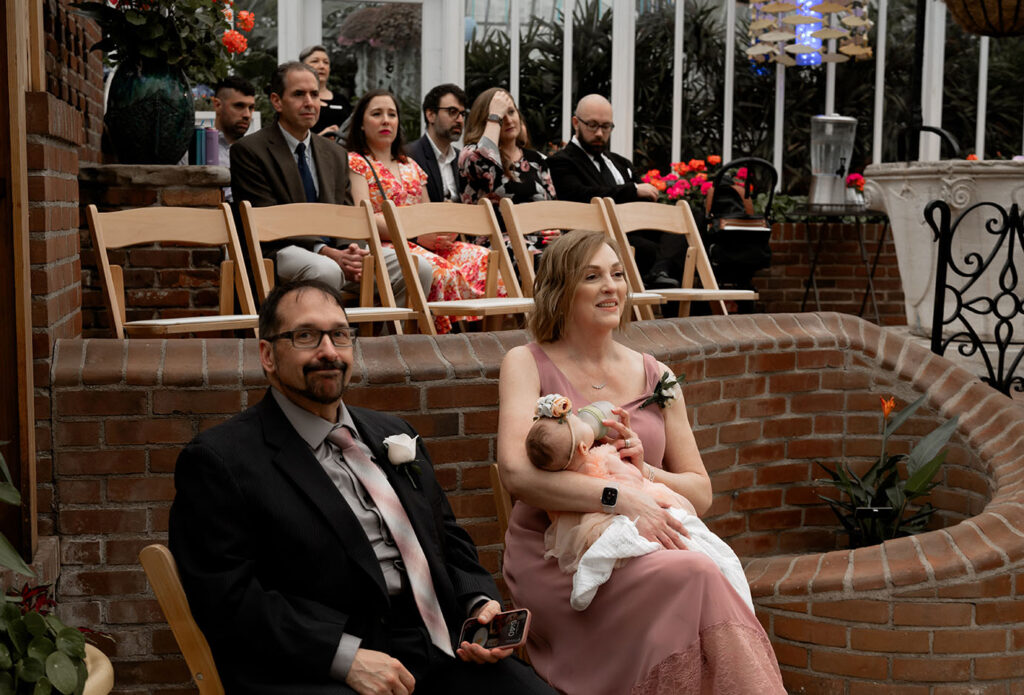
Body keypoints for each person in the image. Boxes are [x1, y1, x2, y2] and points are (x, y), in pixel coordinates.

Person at [169, 278, 557, 695]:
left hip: (443, 650)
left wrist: (479, 604)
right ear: (267, 354)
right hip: (319, 668)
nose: (328, 352)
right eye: (305, 336)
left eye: (339, 335)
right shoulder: (219, 460)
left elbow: (449, 540)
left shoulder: (393, 432)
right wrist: (343, 656)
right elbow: (227, 598)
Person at [496, 229, 785, 694]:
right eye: (592, 276)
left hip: (651, 541)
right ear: (560, 290)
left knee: (694, 575)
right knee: (696, 574)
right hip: (558, 555)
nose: (611, 286)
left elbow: (700, 492)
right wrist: (619, 497)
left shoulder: (658, 375)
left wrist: (644, 469)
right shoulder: (527, 363)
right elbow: (517, 474)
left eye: (617, 274)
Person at [526, 397, 753, 614]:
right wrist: (629, 464)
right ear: (584, 449)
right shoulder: (603, 456)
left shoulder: (567, 479)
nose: (580, 417)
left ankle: (592, 573)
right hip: (629, 516)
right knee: (711, 556)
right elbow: (633, 482)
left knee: (619, 546)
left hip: (594, 530)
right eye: (577, 420)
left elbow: (702, 495)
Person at [231, 62, 418, 306]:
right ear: (277, 101)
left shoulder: (335, 152)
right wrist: (327, 252)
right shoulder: (249, 150)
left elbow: (346, 212)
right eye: (299, 94)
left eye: (315, 94)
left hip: (334, 251)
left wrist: (351, 251)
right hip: (278, 251)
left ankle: (387, 343)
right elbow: (267, 221)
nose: (309, 102)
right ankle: (318, 341)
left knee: (415, 268)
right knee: (326, 270)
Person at [345, 89, 505, 334]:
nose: (386, 120)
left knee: (483, 258)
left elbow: (428, 212)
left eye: (392, 114)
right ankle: (437, 342)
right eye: (377, 114)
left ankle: (488, 339)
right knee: (440, 270)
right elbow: (363, 218)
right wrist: (415, 236)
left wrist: (444, 231)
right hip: (387, 244)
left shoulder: (411, 165)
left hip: (425, 242)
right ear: (362, 125)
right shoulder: (356, 162)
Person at [547, 94, 683, 290]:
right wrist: (633, 190)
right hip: (598, 234)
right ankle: (660, 278)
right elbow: (579, 195)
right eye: (593, 125)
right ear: (576, 123)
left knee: (682, 228)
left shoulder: (620, 163)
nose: (600, 133)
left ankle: (661, 275)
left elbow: (646, 200)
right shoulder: (562, 161)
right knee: (650, 249)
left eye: (606, 126)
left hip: (637, 227)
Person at [459, 88, 557, 253]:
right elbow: (485, 159)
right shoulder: (471, 155)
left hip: (540, 243)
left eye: (511, 112)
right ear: (487, 121)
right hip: (497, 245)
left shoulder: (536, 159)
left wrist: (555, 232)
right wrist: (493, 118)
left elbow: (552, 208)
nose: (509, 120)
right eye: (500, 116)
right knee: (532, 255)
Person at [179, 75, 255, 202]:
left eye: (251, 108)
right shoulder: (194, 149)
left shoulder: (255, 152)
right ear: (217, 105)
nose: (247, 115)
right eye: (239, 106)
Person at [407, 83, 467, 203]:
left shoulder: (462, 159)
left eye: (463, 114)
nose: (460, 120)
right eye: (452, 111)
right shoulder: (409, 157)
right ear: (430, 115)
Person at [300, 44, 351, 138]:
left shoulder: (341, 100)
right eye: (315, 61)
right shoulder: (297, 100)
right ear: (302, 67)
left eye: (326, 62)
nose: (321, 66)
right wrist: (322, 137)